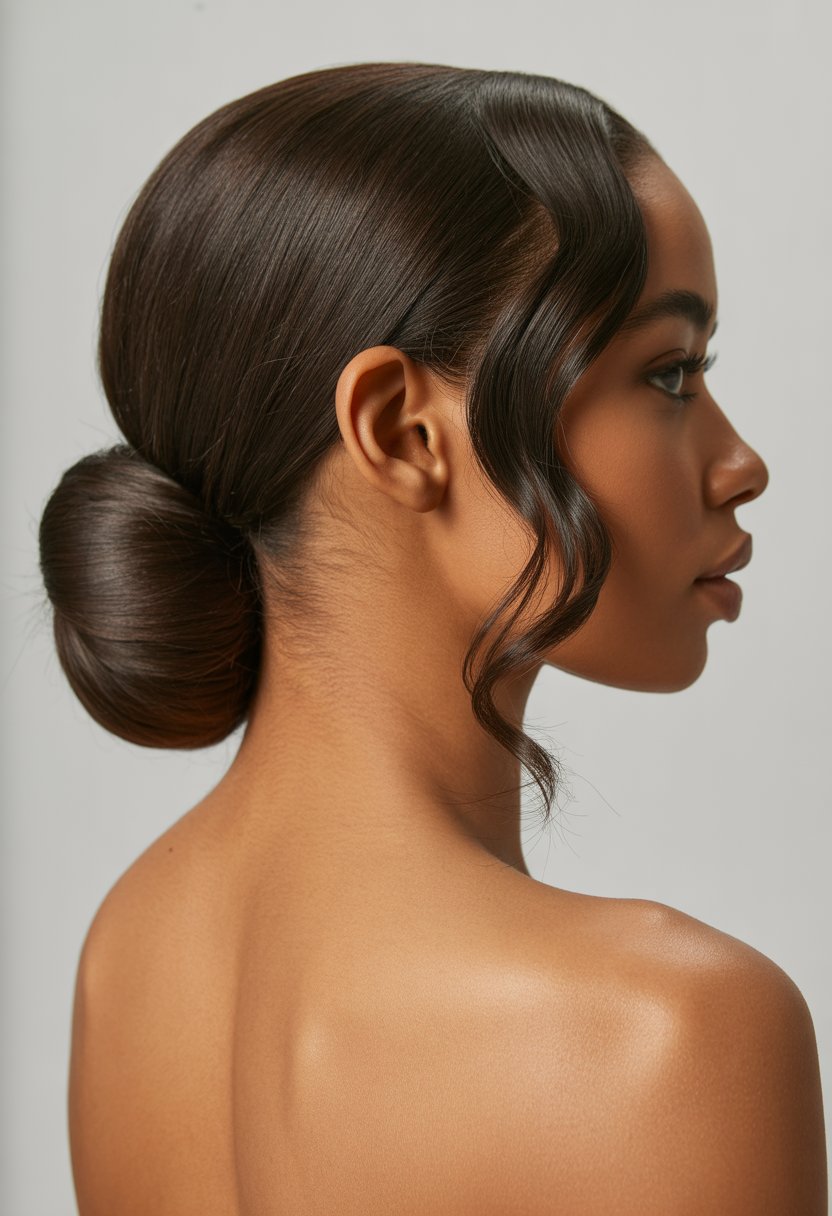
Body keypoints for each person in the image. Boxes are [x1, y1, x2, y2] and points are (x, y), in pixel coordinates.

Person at [38, 62, 827, 1214]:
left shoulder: (132, 951)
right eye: (668, 373)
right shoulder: (666, 1037)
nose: (739, 461)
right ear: (402, 432)